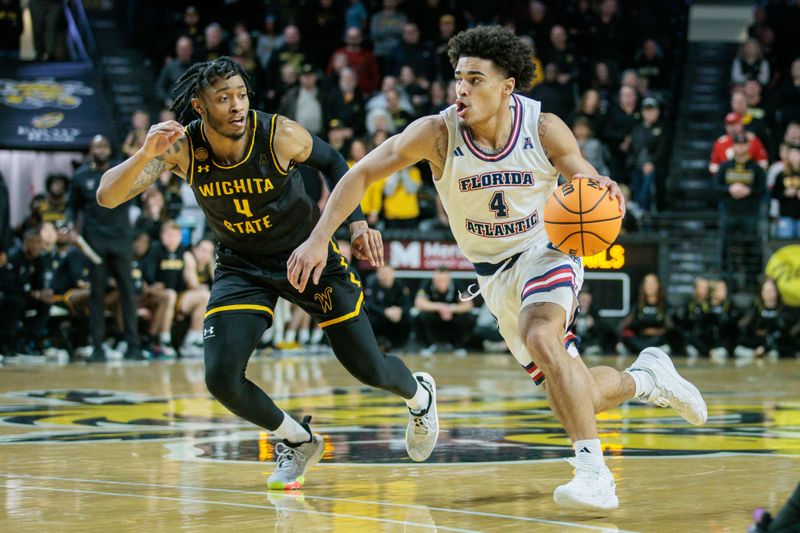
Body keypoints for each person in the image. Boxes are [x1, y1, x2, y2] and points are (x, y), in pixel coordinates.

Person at [288, 26, 707, 511]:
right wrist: (321, 237)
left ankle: (594, 473)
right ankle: (648, 377)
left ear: (507, 86)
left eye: (475, 79)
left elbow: (583, 177)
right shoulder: (437, 134)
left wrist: (601, 185)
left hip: (548, 249)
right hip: (492, 275)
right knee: (577, 396)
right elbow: (359, 173)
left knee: (542, 336)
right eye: (458, 78)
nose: (461, 89)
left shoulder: (543, 127)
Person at [95, 56, 439, 489]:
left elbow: (335, 163)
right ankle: (297, 439)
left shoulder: (277, 134)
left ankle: (420, 396)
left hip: (307, 257)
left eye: (241, 94)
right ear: (200, 106)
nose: (237, 105)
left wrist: (355, 223)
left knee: (369, 369)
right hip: (242, 265)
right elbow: (108, 196)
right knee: (221, 378)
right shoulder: (183, 149)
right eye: (224, 98)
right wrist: (145, 152)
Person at [69, 135, 144, 362]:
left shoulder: (121, 170)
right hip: (95, 242)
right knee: (96, 295)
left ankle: (134, 346)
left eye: (104, 146)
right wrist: (70, 229)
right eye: (96, 146)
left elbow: (138, 200)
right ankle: (97, 347)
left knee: (128, 292)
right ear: (90, 150)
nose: (100, 150)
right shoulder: (81, 177)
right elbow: (72, 209)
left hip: (122, 239)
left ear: (110, 149)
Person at [414, 267, 474, 356]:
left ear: (449, 279)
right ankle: (428, 345)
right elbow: (419, 303)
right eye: (438, 280)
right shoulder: (427, 283)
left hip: (452, 316)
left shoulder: (456, 284)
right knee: (421, 315)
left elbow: (468, 305)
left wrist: (451, 308)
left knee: (468, 316)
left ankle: (459, 346)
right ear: (434, 279)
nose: (441, 283)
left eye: (444, 280)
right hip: (434, 315)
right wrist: (440, 307)